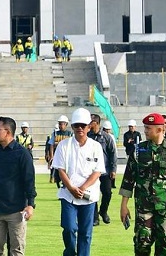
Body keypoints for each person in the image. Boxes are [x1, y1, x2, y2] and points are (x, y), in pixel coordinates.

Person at [119, 113, 166, 256]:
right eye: (145, 127)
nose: (145, 131)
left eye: (148, 128)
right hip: (143, 206)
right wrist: (123, 205)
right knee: (142, 243)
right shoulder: (139, 151)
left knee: (164, 244)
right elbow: (128, 179)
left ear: (159, 129)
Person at [0, 117, 36, 256]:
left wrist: (30, 205)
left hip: (16, 211)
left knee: (16, 250)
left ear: (8, 131)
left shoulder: (23, 154)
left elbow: (29, 181)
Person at [51, 108, 105, 256]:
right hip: (68, 195)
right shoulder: (64, 145)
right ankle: (69, 252)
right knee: (69, 228)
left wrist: (82, 188)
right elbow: (60, 170)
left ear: (89, 126)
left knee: (85, 233)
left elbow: (97, 171)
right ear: (72, 127)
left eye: (83, 125)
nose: (80, 128)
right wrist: (71, 188)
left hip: (88, 196)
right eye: (76, 125)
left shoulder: (96, 146)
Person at [87, 114, 117, 226]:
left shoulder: (106, 137)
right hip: (91, 171)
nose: (89, 126)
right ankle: (95, 218)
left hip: (104, 171)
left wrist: (113, 169)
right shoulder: (87, 136)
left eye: (92, 124)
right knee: (92, 194)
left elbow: (112, 153)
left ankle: (103, 211)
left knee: (107, 193)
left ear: (97, 124)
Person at [48, 115, 73, 187]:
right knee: (57, 175)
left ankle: (65, 186)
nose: (60, 125)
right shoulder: (55, 133)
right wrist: (52, 156)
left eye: (62, 124)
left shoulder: (70, 134)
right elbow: (51, 145)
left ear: (66, 124)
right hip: (57, 156)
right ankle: (59, 186)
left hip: (67, 157)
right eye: (59, 124)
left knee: (67, 174)